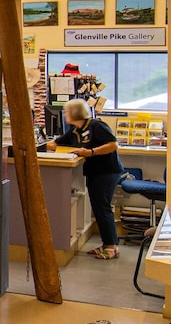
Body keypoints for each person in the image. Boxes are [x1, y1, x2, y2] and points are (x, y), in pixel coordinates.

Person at [49, 99, 127, 259]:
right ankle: (107, 244)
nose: (65, 115)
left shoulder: (96, 125)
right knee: (98, 207)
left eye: (67, 112)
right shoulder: (75, 130)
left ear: (75, 113)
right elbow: (54, 144)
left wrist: (91, 152)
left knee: (102, 207)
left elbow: (113, 145)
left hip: (107, 171)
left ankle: (112, 247)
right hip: (94, 172)